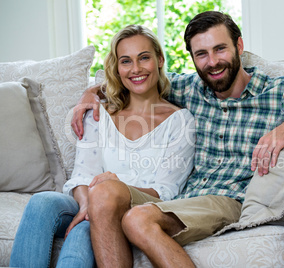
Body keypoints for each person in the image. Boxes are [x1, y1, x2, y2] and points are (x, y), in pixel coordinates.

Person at [71, 11, 284, 267]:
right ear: (193, 59)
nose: (212, 62)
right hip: (183, 199)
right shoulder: (190, 88)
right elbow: (137, 77)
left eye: (220, 49)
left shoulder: (279, 92)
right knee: (105, 191)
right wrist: (91, 92)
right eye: (201, 54)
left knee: (137, 220)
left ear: (239, 46)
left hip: (228, 199)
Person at [9, 24, 195, 268]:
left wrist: (110, 193)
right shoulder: (99, 113)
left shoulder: (180, 121)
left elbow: (166, 190)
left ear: (159, 60)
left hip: (131, 207)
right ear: (117, 68)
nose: (136, 69)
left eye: (144, 58)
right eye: (126, 61)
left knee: (84, 228)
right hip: (87, 201)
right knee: (42, 201)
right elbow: (82, 175)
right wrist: (88, 206)